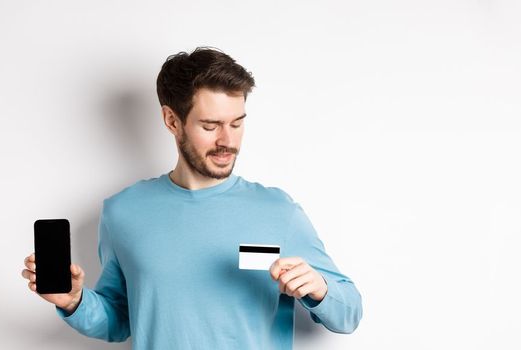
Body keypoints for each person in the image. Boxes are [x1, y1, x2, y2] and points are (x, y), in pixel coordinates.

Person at [21, 47, 362, 349]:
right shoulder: (123, 212)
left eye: (237, 123)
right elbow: (119, 320)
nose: (227, 140)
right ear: (172, 120)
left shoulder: (278, 211)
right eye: (211, 126)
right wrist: (74, 301)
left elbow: (349, 313)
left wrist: (319, 288)